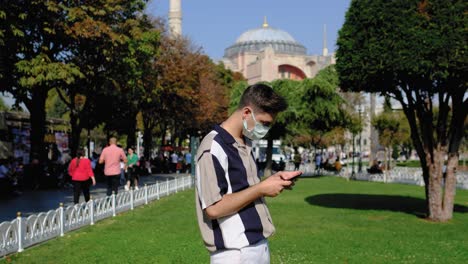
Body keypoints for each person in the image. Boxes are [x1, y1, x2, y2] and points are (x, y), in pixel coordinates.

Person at [195, 83, 302, 264]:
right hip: (234, 253)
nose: (265, 130)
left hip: (257, 245)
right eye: (264, 123)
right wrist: (261, 189)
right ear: (246, 113)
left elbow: (246, 189)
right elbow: (213, 208)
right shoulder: (213, 147)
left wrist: (272, 181)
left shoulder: (246, 142)